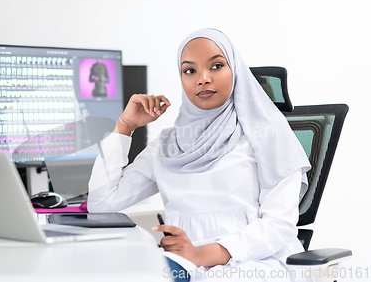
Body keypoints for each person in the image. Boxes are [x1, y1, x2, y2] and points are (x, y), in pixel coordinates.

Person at [87, 28, 311, 282]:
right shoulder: (167, 145)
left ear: (235, 71)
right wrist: (125, 126)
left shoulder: (267, 136)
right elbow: (101, 204)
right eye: (190, 70)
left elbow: (278, 228)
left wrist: (202, 254)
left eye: (216, 66)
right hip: (186, 265)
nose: (203, 78)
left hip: (255, 263)